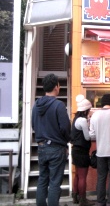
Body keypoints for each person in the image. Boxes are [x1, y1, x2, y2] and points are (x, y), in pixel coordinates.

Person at [31, 73, 71, 206]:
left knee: (42, 179)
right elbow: (65, 128)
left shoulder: (36, 105)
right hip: (56, 148)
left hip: (41, 147)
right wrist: (66, 141)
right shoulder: (58, 105)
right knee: (55, 182)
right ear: (56, 87)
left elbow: (33, 125)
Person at [70, 94, 94, 206]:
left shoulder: (75, 119)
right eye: (89, 110)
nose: (89, 112)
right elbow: (87, 137)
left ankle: (75, 197)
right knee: (83, 177)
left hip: (75, 150)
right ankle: (83, 200)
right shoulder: (83, 121)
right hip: (82, 151)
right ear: (85, 110)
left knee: (78, 175)